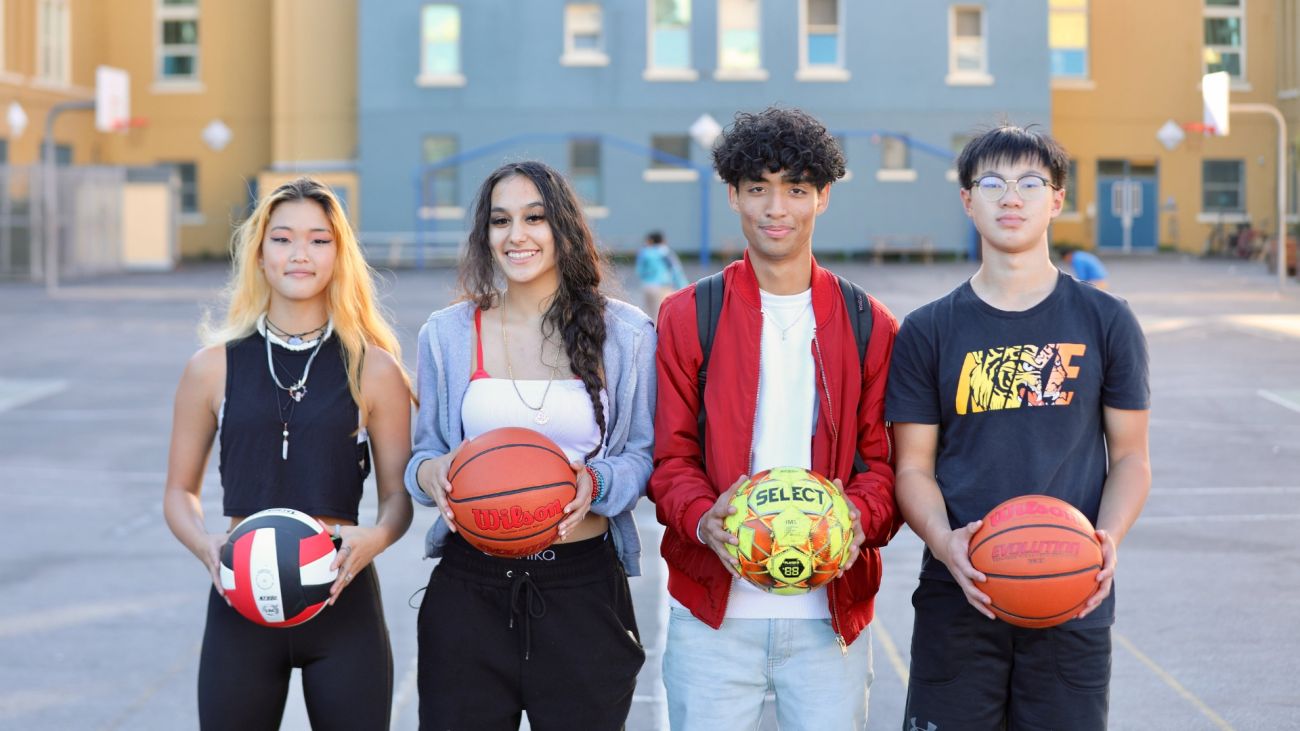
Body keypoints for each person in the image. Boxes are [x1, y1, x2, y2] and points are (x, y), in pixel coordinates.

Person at [887, 125, 1151, 730]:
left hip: (1072, 592)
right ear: (966, 199)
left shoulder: (1106, 320)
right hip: (961, 591)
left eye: (1031, 182)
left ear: (1056, 199)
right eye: (993, 183)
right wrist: (945, 544)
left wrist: (1105, 539)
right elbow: (912, 467)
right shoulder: (927, 331)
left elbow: (1132, 456)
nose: (1012, 197)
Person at [648, 107, 900, 730]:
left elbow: (886, 466)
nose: (776, 207)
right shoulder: (688, 316)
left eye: (795, 188)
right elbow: (669, 458)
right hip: (713, 617)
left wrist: (853, 524)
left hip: (829, 621)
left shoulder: (870, 324)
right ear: (733, 195)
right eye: (758, 188)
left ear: (824, 197)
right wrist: (703, 518)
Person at [405, 160, 656, 730]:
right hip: (470, 588)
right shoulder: (446, 334)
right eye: (500, 220)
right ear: (484, 234)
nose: (516, 235)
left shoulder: (626, 334)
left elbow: (643, 455)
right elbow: (420, 458)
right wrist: (432, 473)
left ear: (564, 226)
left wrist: (592, 483)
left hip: (582, 589)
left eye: (534, 217)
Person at [162, 177, 414, 731]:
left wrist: (375, 537)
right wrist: (205, 545)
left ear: (339, 254)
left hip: (341, 600)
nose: (300, 253)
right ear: (259, 252)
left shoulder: (373, 368)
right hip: (240, 602)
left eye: (319, 240)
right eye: (283, 238)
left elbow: (398, 497)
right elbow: (179, 491)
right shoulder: (211, 367)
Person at [635, 229, 688, 321]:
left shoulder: (644, 252)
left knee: (647, 316)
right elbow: (676, 271)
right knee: (661, 317)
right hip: (662, 287)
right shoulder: (665, 252)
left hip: (647, 287)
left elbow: (639, 271)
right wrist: (684, 287)